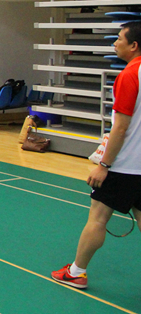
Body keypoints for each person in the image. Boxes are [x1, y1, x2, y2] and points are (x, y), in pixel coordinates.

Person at [51, 21, 141, 290]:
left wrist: (104, 165)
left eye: (119, 38)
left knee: (98, 218)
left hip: (124, 166)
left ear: (134, 45)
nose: (115, 43)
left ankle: (76, 272)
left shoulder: (130, 75)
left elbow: (121, 127)